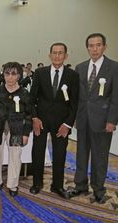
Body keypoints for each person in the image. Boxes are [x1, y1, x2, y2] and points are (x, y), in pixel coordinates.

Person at [68, 33, 118, 204]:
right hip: (82, 119)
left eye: (98, 45)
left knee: (100, 156)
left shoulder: (114, 67)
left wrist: (112, 120)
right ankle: (80, 185)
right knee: (81, 154)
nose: (94, 49)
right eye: (91, 45)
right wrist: (74, 117)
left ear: (105, 46)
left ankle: (98, 189)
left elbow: (116, 98)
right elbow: (77, 96)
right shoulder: (80, 67)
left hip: (103, 121)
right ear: (87, 47)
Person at [29, 42, 79, 199]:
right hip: (41, 122)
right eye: (54, 53)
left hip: (61, 124)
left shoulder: (73, 75)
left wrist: (67, 124)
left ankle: (57, 186)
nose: (57, 56)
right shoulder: (39, 73)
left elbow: (75, 103)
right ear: (50, 55)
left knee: (59, 155)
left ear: (66, 56)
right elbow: (31, 99)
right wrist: (35, 117)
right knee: (37, 153)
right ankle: (37, 183)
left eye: (61, 53)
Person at [0, 62, 32, 196]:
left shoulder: (24, 93)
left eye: (13, 74)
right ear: (3, 74)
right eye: (7, 73)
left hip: (17, 129)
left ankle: (13, 185)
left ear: (19, 76)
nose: (10, 77)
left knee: (15, 157)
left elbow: (29, 115)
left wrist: (26, 133)